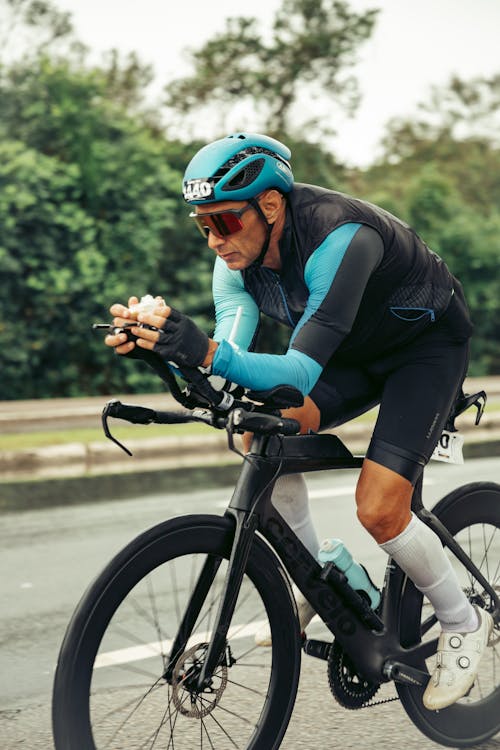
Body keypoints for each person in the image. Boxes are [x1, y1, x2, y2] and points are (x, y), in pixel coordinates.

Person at [105, 132, 493, 711]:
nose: (214, 241)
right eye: (201, 225)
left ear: (269, 205)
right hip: (354, 355)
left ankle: (463, 620)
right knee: (257, 426)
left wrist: (205, 350)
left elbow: (299, 372)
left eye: (225, 223)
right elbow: (228, 373)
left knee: (381, 507)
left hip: (424, 350)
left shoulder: (341, 237)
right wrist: (169, 352)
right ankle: (323, 578)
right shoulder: (235, 262)